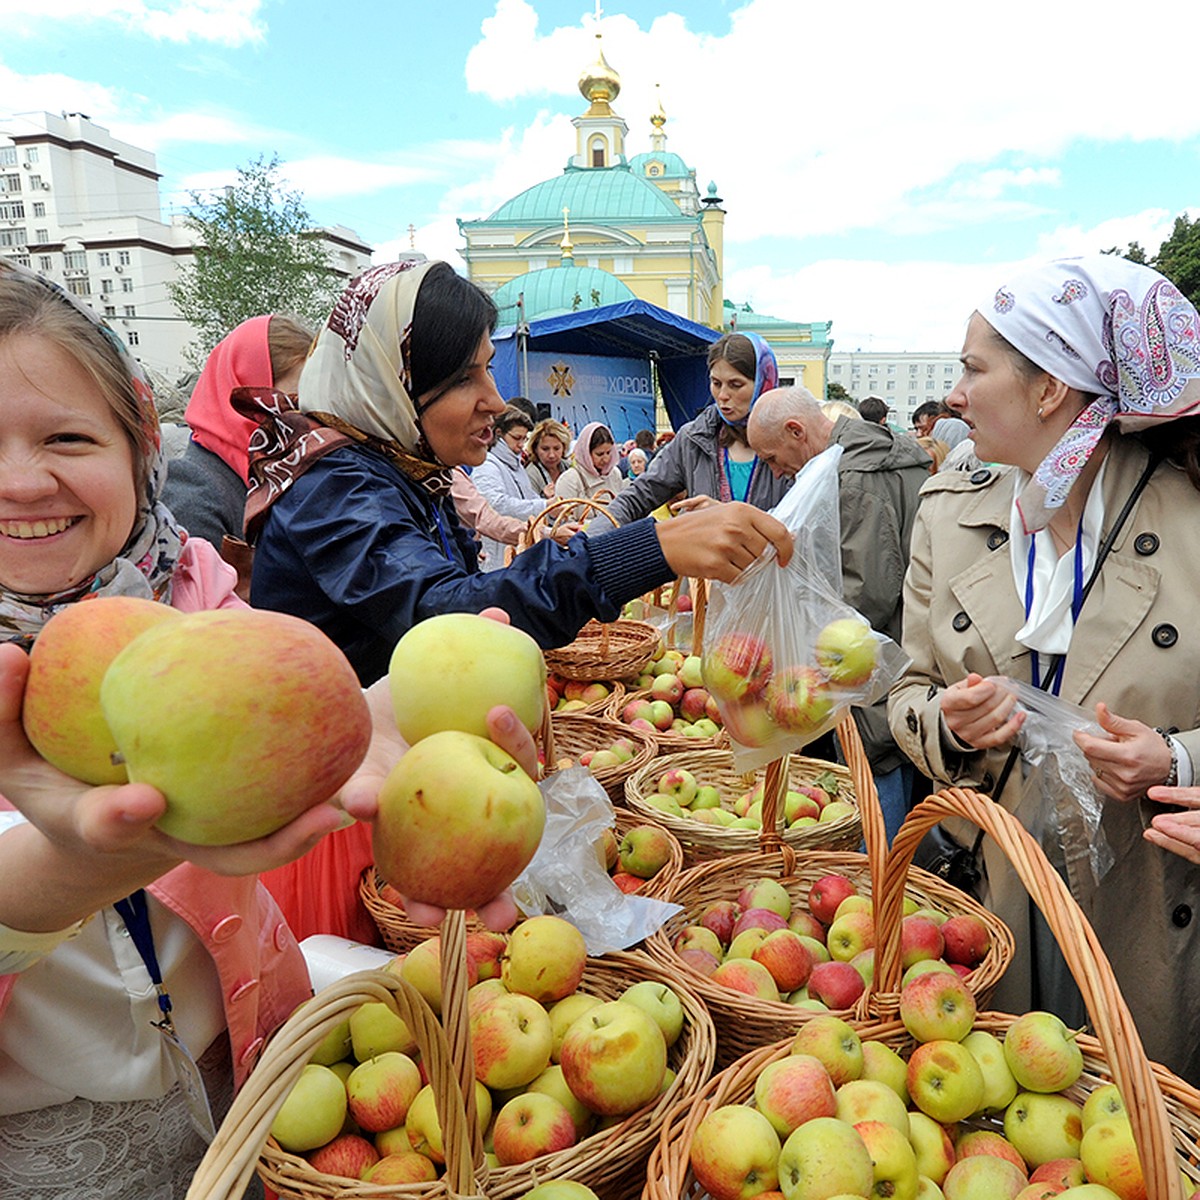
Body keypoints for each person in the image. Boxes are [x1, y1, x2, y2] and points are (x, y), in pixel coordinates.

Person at [0, 259, 536, 1196]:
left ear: (137, 444)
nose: (20, 480)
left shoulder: (200, 597)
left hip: (255, 1084)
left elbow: (300, 744)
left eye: (67, 435)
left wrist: (376, 732)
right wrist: (73, 868)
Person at [886, 255, 1200, 1084]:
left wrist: (1176, 760)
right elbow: (907, 690)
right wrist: (945, 725)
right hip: (994, 901)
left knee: (1135, 1132)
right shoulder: (950, 518)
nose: (955, 395)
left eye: (973, 368)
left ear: (1050, 388)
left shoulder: (1192, 515)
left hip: (1149, 900)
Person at [245, 261, 794, 687]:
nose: (495, 400)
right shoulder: (334, 488)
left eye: (487, 368)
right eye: (466, 377)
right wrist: (653, 547)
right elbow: (453, 620)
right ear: (391, 383)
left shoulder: (406, 472)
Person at [746, 386, 932, 844]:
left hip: (872, 665)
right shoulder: (881, 457)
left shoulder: (854, 478)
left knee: (875, 777)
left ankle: (880, 885)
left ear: (796, 430)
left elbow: (866, 592)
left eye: (771, 457)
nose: (775, 470)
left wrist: (795, 619)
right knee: (901, 764)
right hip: (909, 652)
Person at [602, 332, 791, 526]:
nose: (723, 395)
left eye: (736, 385)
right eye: (716, 383)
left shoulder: (789, 443)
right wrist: (589, 536)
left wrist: (726, 516)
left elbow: (802, 526)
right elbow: (640, 494)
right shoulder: (693, 439)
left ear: (763, 383)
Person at [163, 314, 313, 549]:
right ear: (244, 392)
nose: (304, 417)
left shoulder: (280, 472)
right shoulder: (193, 490)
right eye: (292, 401)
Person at [470, 405, 548, 572]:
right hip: (494, 562)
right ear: (498, 434)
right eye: (516, 438)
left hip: (516, 555)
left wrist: (548, 505)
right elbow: (496, 505)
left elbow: (529, 497)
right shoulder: (487, 465)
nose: (521, 445)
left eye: (524, 439)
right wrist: (544, 506)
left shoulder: (517, 466)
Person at [554, 421, 625, 507]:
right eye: (600, 454)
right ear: (586, 453)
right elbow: (564, 517)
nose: (606, 459)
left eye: (608, 452)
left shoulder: (615, 474)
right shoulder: (569, 481)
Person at [526, 417, 572, 498]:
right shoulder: (530, 475)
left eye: (556, 448)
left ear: (564, 448)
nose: (551, 455)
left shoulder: (569, 467)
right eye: (545, 449)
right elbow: (529, 507)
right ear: (535, 449)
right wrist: (543, 498)